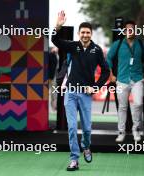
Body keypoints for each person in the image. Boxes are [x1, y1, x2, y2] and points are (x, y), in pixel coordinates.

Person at [51, 11, 110, 171]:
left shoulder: (96, 50)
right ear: (79, 34)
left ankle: (86, 146)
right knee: (71, 127)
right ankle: (74, 159)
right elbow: (55, 40)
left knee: (87, 128)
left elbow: (106, 71)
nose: (85, 35)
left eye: (88, 32)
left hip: (85, 94)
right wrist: (58, 25)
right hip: (70, 92)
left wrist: (96, 87)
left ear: (91, 34)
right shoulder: (73, 46)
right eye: (82, 32)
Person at [107, 20, 144, 142]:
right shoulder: (117, 44)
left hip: (137, 79)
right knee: (122, 107)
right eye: (128, 29)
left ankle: (136, 129)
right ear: (124, 31)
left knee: (138, 103)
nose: (130, 31)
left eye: (132, 29)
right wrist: (111, 74)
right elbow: (108, 58)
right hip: (122, 79)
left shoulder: (141, 44)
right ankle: (121, 132)